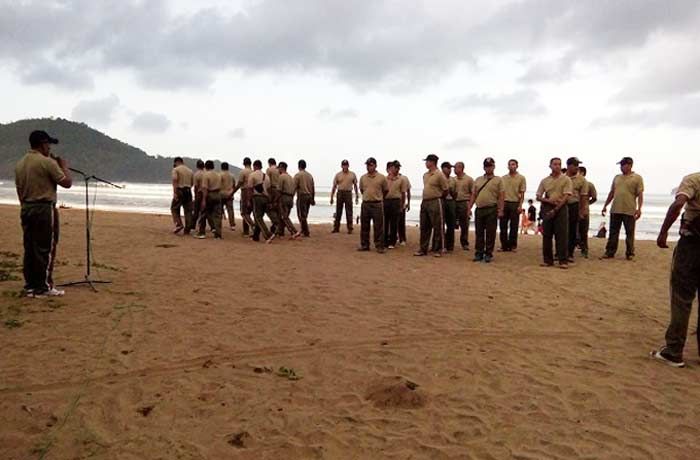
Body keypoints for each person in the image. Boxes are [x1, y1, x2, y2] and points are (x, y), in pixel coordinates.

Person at [14, 130, 72, 297]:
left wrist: (25, 206)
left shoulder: (21, 163)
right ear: (42, 144)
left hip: (26, 207)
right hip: (44, 208)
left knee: (30, 247)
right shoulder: (46, 162)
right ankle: (44, 287)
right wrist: (64, 166)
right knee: (46, 247)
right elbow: (67, 183)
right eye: (48, 144)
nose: (50, 147)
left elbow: (19, 190)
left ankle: (30, 285)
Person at [651, 172, 700, 368]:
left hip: (693, 244)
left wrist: (663, 232)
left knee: (681, 298)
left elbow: (678, 203)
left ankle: (674, 350)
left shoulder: (694, 179)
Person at [601, 157, 644, 260]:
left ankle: (630, 253)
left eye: (623, 165)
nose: (621, 167)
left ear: (629, 165)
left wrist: (639, 209)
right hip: (616, 209)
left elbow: (640, 194)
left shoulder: (637, 178)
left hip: (629, 210)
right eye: (621, 165)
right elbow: (612, 193)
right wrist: (605, 205)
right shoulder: (617, 177)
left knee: (629, 232)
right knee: (613, 232)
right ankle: (610, 252)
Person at [536, 158, 573, 269]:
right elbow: (538, 196)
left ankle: (563, 260)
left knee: (562, 235)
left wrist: (556, 209)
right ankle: (548, 260)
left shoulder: (566, 179)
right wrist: (548, 201)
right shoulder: (545, 180)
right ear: (550, 166)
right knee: (547, 235)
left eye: (559, 164)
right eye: (555, 164)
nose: (557, 166)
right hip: (547, 207)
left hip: (561, 208)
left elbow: (566, 196)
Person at [468, 157, 505, 263]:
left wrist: (501, 209)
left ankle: (488, 253)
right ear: (484, 167)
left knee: (490, 233)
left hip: (492, 209)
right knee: (479, 233)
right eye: (487, 166)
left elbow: (501, 195)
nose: (488, 168)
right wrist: (469, 208)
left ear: (494, 167)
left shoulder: (498, 180)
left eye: (490, 166)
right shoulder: (478, 180)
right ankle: (479, 253)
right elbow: (473, 195)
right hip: (479, 209)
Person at [414, 154, 449, 258]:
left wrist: (439, 197)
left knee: (438, 226)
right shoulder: (425, 175)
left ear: (432, 162)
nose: (426, 163)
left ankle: (439, 249)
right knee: (424, 226)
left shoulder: (439, 174)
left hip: (435, 201)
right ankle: (423, 249)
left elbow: (445, 189)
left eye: (427, 161)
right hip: (425, 201)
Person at [358, 157, 388, 253]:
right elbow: (362, 190)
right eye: (367, 165)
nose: (368, 167)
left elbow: (385, 190)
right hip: (366, 204)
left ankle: (379, 246)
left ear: (375, 165)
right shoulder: (363, 178)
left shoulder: (382, 177)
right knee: (364, 226)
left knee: (378, 226)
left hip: (377, 204)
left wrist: (378, 197)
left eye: (370, 165)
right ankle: (365, 245)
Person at [564, 157, 589, 263]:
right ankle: (560, 252)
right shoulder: (562, 177)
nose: (577, 167)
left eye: (577, 165)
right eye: (575, 165)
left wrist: (582, 210)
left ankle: (569, 253)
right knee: (561, 231)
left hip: (574, 205)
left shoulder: (582, 180)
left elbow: (583, 197)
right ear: (569, 166)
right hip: (562, 205)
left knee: (572, 231)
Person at [499, 159, 526, 252]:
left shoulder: (521, 178)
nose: (511, 166)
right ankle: (504, 245)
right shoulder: (503, 178)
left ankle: (513, 245)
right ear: (508, 166)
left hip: (515, 203)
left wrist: (520, 205)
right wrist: (500, 207)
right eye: (510, 165)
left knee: (514, 227)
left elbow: (522, 194)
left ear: (517, 166)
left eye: (513, 164)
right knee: (503, 226)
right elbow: (500, 193)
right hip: (504, 203)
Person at [249, 160, 275, 243]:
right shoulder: (266, 176)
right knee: (260, 217)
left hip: (257, 198)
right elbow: (269, 190)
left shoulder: (252, 175)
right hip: (266, 198)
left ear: (255, 166)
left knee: (258, 217)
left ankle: (268, 235)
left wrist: (249, 201)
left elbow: (250, 189)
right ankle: (255, 236)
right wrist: (270, 200)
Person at [196, 160, 223, 239]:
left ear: (205, 167)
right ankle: (218, 234)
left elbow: (205, 188)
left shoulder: (206, 175)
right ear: (213, 166)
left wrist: (204, 200)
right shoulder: (218, 175)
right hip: (218, 194)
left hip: (209, 195)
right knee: (217, 215)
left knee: (204, 213)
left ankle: (202, 233)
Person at [330, 160, 359, 234]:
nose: (345, 166)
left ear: (348, 165)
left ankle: (350, 228)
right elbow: (334, 186)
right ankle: (336, 228)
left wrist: (356, 196)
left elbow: (355, 186)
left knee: (349, 211)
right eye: (343, 165)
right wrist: (332, 197)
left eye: (346, 165)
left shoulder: (352, 174)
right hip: (340, 193)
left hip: (348, 193)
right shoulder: (338, 175)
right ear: (341, 166)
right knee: (338, 211)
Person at [383, 161, 407, 249]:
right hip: (386, 201)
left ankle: (392, 242)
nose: (397, 169)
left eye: (398, 168)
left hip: (396, 201)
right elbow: (382, 191)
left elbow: (403, 193)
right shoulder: (385, 179)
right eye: (395, 167)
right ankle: (385, 241)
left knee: (394, 223)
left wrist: (402, 205)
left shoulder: (401, 179)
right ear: (391, 168)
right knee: (385, 222)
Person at [277, 162, 301, 239]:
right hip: (291, 198)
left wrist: (275, 200)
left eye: (279, 168)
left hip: (284, 197)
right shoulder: (290, 177)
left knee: (284, 217)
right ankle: (281, 233)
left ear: (281, 168)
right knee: (284, 217)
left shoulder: (281, 177)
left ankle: (294, 231)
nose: (278, 170)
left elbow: (279, 190)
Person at [170, 157, 194, 235]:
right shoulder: (190, 171)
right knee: (188, 211)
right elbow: (192, 183)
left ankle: (178, 224)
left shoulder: (176, 170)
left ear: (176, 162)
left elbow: (175, 180)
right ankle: (188, 228)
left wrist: (175, 193)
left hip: (180, 190)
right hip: (188, 191)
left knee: (174, 208)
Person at [453, 162, 474, 251]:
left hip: (464, 202)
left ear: (461, 168)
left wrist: (470, 206)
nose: (454, 169)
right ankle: (449, 243)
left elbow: (473, 193)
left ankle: (464, 243)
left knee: (464, 224)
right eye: (454, 168)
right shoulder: (453, 179)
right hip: (454, 203)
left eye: (456, 167)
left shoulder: (469, 179)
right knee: (451, 223)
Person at [578, 166, 597, 258]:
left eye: (580, 172)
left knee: (583, 231)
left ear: (583, 173)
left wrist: (587, 204)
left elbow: (594, 198)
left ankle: (584, 250)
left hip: (584, 211)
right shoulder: (571, 182)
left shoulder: (589, 185)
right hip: (573, 210)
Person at [438, 162, 457, 252]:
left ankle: (450, 245)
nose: (450, 170)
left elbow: (456, 193)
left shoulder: (453, 180)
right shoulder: (439, 177)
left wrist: (452, 192)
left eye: (450, 168)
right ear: (443, 168)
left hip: (451, 201)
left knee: (451, 225)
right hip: (442, 201)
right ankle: (440, 245)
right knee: (440, 224)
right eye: (448, 168)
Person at [294, 160, 315, 237]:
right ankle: (304, 229)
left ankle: (305, 231)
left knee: (301, 215)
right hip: (309, 196)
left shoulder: (298, 175)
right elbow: (313, 188)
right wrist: (312, 198)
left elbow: (294, 187)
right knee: (305, 214)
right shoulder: (309, 175)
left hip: (302, 196)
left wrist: (292, 196)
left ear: (298, 166)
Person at [236, 157, 255, 236]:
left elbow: (240, 183)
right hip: (253, 192)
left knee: (243, 212)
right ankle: (246, 231)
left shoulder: (243, 172)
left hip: (245, 192)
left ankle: (253, 226)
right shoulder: (254, 172)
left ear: (244, 163)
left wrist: (233, 191)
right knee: (249, 212)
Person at [265, 158, 283, 234]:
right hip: (280, 191)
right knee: (279, 210)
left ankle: (275, 224)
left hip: (272, 190)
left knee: (270, 208)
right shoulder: (280, 170)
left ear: (269, 163)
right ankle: (279, 229)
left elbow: (267, 181)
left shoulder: (269, 170)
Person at [397, 163, 411, 246]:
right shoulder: (387, 178)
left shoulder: (404, 178)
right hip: (391, 203)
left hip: (401, 202)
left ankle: (402, 238)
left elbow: (408, 192)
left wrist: (408, 203)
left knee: (401, 222)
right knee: (391, 222)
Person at [219, 162, 236, 231]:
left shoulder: (220, 175)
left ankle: (219, 224)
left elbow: (218, 185)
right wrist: (232, 193)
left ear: (221, 167)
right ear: (228, 167)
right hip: (230, 194)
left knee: (219, 210)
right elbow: (234, 185)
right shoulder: (232, 175)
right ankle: (232, 225)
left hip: (221, 194)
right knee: (230, 210)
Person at [192, 160, 206, 233]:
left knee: (196, 211)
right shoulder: (206, 173)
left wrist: (195, 195)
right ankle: (204, 226)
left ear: (197, 166)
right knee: (205, 211)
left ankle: (193, 226)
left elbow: (196, 186)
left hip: (199, 193)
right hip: (206, 193)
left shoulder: (196, 174)